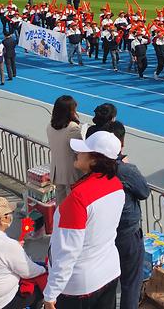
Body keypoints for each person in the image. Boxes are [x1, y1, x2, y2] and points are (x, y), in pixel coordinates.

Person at [44, 131, 125, 308]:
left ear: (94, 160)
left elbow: (68, 252)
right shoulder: (116, 185)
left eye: (83, 151)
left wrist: (51, 293)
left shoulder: (79, 198)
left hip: (80, 285)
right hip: (109, 272)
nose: (77, 153)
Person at [103, 122, 150, 309]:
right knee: (130, 282)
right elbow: (144, 191)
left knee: (108, 281)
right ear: (121, 143)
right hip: (126, 232)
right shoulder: (125, 170)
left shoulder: (94, 166)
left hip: (104, 231)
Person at [46, 96, 83, 204]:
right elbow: (79, 149)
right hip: (71, 172)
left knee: (60, 202)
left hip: (57, 170)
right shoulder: (72, 127)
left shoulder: (50, 125)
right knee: (72, 203)